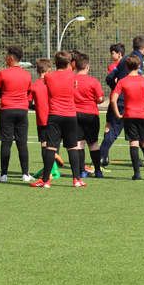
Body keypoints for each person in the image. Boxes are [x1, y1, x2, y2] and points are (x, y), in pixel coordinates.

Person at [31, 50, 84, 188]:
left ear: (55, 63)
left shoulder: (49, 77)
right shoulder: (73, 76)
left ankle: (46, 180)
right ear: (68, 63)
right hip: (71, 115)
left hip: (54, 115)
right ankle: (76, 179)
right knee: (72, 147)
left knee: (51, 148)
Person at [111, 55, 144, 180]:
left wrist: (117, 113)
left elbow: (113, 99)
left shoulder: (123, 81)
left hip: (129, 116)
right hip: (143, 116)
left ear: (127, 67)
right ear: (139, 66)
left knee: (133, 142)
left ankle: (137, 173)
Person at [100, 37, 144, 166]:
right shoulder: (138, 61)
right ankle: (101, 156)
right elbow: (137, 82)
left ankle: (103, 156)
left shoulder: (124, 60)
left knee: (112, 129)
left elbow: (109, 78)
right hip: (127, 102)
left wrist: (116, 89)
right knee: (130, 131)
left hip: (116, 99)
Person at [0, 46, 33, 182]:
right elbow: (29, 93)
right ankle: (25, 174)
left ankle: (4, 175)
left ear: (11, 58)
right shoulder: (27, 75)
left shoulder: (3, 74)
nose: (5, 58)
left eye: (6, 56)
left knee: (6, 142)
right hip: (22, 111)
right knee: (22, 143)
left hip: (7, 110)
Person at [73, 52, 105, 178]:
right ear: (87, 67)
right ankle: (97, 171)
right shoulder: (93, 81)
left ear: (76, 66)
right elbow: (100, 98)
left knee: (79, 143)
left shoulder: (71, 80)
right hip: (91, 115)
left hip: (75, 114)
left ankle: (81, 171)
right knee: (93, 143)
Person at [29, 58, 61, 180]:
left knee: (44, 145)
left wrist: (37, 107)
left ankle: (50, 171)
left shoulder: (34, 85)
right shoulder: (53, 83)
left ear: (37, 71)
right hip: (55, 116)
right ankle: (53, 167)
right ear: (49, 70)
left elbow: (28, 102)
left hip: (41, 119)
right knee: (53, 144)